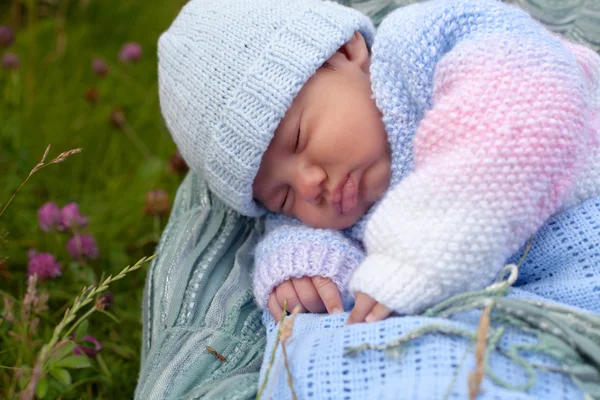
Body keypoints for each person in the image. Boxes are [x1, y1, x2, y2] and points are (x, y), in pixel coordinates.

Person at [157, 0, 600, 325]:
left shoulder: (424, 44)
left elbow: (522, 111)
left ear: (347, 53)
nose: (309, 184)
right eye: (283, 195)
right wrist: (304, 269)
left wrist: (420, 252)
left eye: (298, 138)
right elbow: (294, 235)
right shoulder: (339, 205)